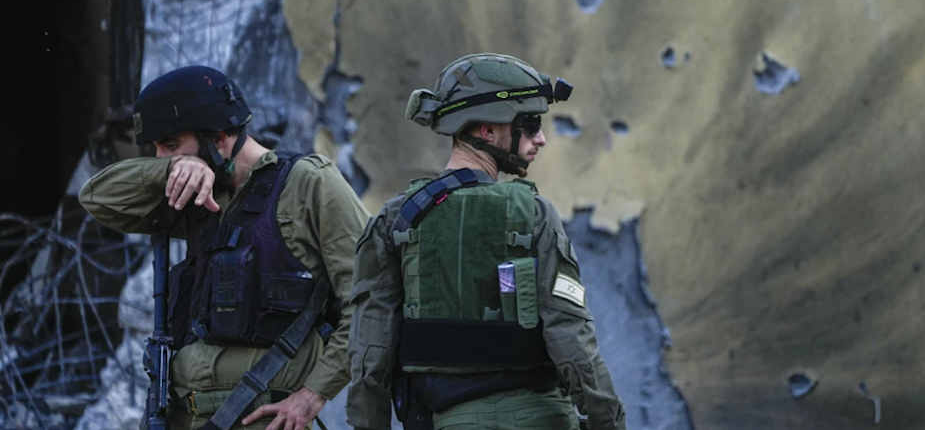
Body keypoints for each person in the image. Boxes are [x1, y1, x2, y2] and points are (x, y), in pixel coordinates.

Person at [78, 66, 369, 430]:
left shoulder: (308, 183)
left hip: (261, 415)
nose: (160, 158)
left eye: (170, 146)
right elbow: (96, 198)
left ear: (218, 138)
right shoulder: (195, 195)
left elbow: (367, 301)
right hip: (180, 414)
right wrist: (170, 170)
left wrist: (312, 395)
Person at [346, 53, 627, 430]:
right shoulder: (534, 214)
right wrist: (609, 422)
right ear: (486, 130)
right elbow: (572, 338)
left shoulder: (395, 220)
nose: (540, 138)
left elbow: (369, 353)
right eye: (529, 124)